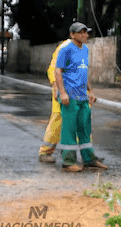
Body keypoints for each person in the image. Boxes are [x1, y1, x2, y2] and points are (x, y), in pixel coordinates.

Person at [55, 22, 108, 172]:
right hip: (69, 96)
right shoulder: (66, 50)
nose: (84, 35)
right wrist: (63, 93)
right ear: (72, 34)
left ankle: (89, 159)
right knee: (69, 130)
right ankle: (68, 162)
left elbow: (84, 73)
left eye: (86, 32)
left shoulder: (85, 49)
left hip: (82, 96)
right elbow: (58, 71)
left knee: (85, 129)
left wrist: (90, 91)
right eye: (81, 32)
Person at [37, 36, 72, 163]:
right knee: (58, 118)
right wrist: (56, 87)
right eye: (83, 33)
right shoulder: (65, 47)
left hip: (77, 91)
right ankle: (45, 151)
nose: (86, 36)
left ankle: (88, 155)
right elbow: (53, 69)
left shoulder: (81, 49)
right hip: (62, 88)